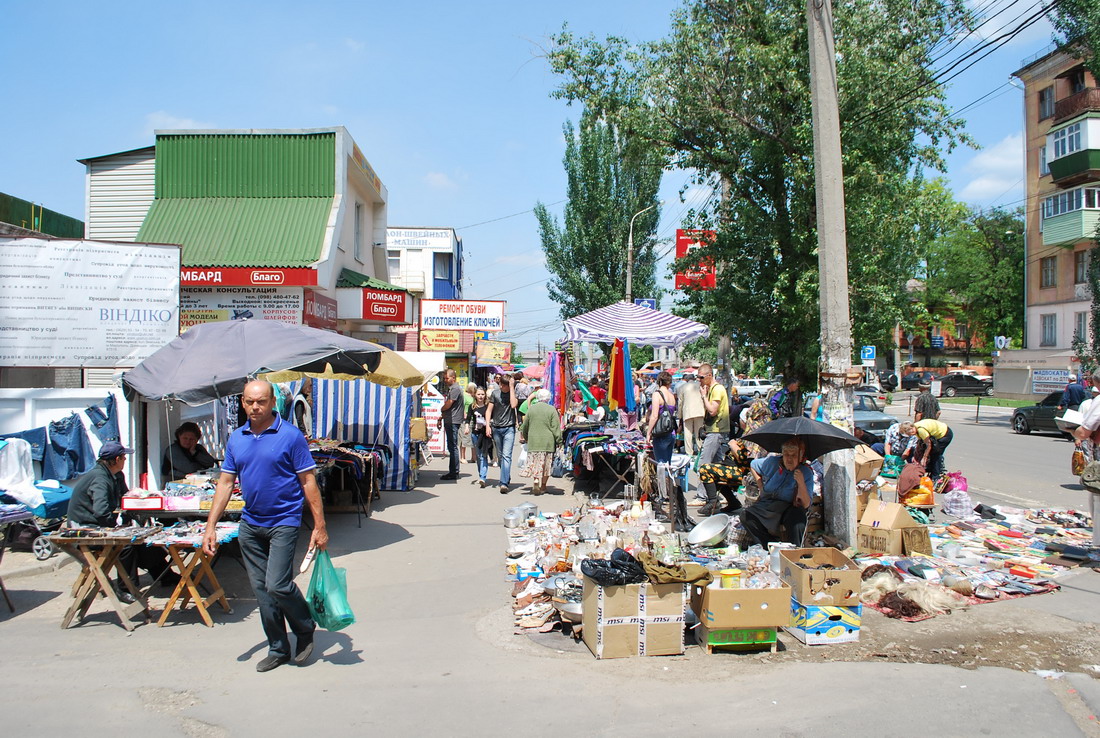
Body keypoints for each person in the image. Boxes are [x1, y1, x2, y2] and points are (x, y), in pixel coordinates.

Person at [203, 380, 327, 673]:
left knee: (278, 584)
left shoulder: (290, 436)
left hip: (284, 522)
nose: (255, 407)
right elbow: (224, 483)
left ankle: (304, 625)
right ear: (243, 403)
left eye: (260, 402)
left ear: (273, 402)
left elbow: (308, 481)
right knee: (262, 592)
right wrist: (210, 526)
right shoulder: (237, 438)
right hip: (251, 524)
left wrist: (319, 526)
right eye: (249, 402)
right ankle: (278, 647)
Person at [67, 441, 175, 601]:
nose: (125, 460)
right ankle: (127, 587)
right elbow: (101, 511)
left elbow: (125, 498)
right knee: (126, 545)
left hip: (99, 523)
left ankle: (164, 575)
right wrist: (119, 528)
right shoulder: (100, 478)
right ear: (117, 459)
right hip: (85, 527)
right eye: (124, 458)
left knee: (143, 539)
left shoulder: (116, 475)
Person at [741, 438, 814, 548]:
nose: (789, 459)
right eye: (786, 455)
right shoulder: (773, 462)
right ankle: (770, 546)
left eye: (794, 455)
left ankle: (795, 550)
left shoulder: (806, 472)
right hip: (769, 503)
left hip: (789, 507)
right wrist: (761, 486)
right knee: (746, 516)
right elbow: (753, 465)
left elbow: (806, 504)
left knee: (798, 519)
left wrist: (801, 482)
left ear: (800, 457)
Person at [519, 389, 563, 495]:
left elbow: (524, 426)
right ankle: (543, 486)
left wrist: (526, 437)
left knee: (535, 463)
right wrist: (559, 441)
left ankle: (536, 480)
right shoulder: (552, 409)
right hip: (547, 442)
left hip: (534, 441)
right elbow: (555, 427)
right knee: (546, 464)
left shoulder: (531, 409)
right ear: (548, 398)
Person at [698, 438, 752, 516]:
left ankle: (713, 501)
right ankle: (733, 502)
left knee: (705, 469)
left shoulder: (752, 440)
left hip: (743, 472)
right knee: (716, 471)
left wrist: (733, 445)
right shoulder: (747, 435)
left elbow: (743, 458)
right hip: (736, 468)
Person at [486, 374, 518, 494]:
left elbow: (514, 405)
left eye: (503, 385)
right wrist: (488, 425)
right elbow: (489, 411)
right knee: (500, 456)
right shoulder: (495, 394)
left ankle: (503, 483)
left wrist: (511, 388)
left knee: (506, 455)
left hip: (509, 427)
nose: (501, 386)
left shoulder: (512, 393)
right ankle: (506, 476)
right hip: (497, 428)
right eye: (501, 384)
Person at [697, 363, 730, 466]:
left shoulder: (717, 389)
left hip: (716, 430)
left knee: (703, 465)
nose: (699, 380)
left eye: (701, 377)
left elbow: (712, 411)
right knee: (717, 464)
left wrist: (703, 396)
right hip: (712, 429)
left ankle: (702, 482)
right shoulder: (711, 389)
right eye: (698, 377)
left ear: (709, 375)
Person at [645, 371, 678, 464]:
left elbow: (654, 416)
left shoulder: (657, 394)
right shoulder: (671, 396)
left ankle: (664, 479)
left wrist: (648, 432)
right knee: (668, 463)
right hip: (671, 433)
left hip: (661, 433)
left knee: (661, 464)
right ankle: (669, 478)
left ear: (658, 382)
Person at [437, 369, 463, 480]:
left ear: (453, 378)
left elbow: (449, 404)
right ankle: (453, 471)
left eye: (447, 378)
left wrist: (441, 409)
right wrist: (442, 416)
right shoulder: (452, 389)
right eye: (444, 378)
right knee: (451, 446)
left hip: (453, 421)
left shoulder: (455, 389)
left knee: (452, 447)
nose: (445, 380)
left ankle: (454, 472)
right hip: (450, 419)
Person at [467, 387, 493, 488]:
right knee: (478, 456)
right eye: (479, 394)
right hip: (475, 433)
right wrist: (466, 428)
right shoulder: (472, 407)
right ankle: (481, 475)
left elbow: (492, 417)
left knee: (483, 455)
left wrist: (488, 424)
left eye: (482, 394)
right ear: (475, 395)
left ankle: (483, 477)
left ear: (485, 395)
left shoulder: (488, 407)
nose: (481, 396)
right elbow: (468, 418)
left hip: (485, 434)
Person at [676, 372, 705, 455]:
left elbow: (680, 403)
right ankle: (700, 450)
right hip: (699, 412)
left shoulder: (682, 387)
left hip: (687, 412)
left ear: (686, 380)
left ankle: (689, 452)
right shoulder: (700, 386)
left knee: (687, 434)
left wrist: (680, 415)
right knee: (699, 433)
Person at [459, 383, 477, 463]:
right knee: (464, 438)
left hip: (474, 418)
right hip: (465, 419)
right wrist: (463, 414)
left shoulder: (474, 396)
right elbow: (461, 406)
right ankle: (462, 457)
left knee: (473, 439)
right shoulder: (464, 395)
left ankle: (474, 457)